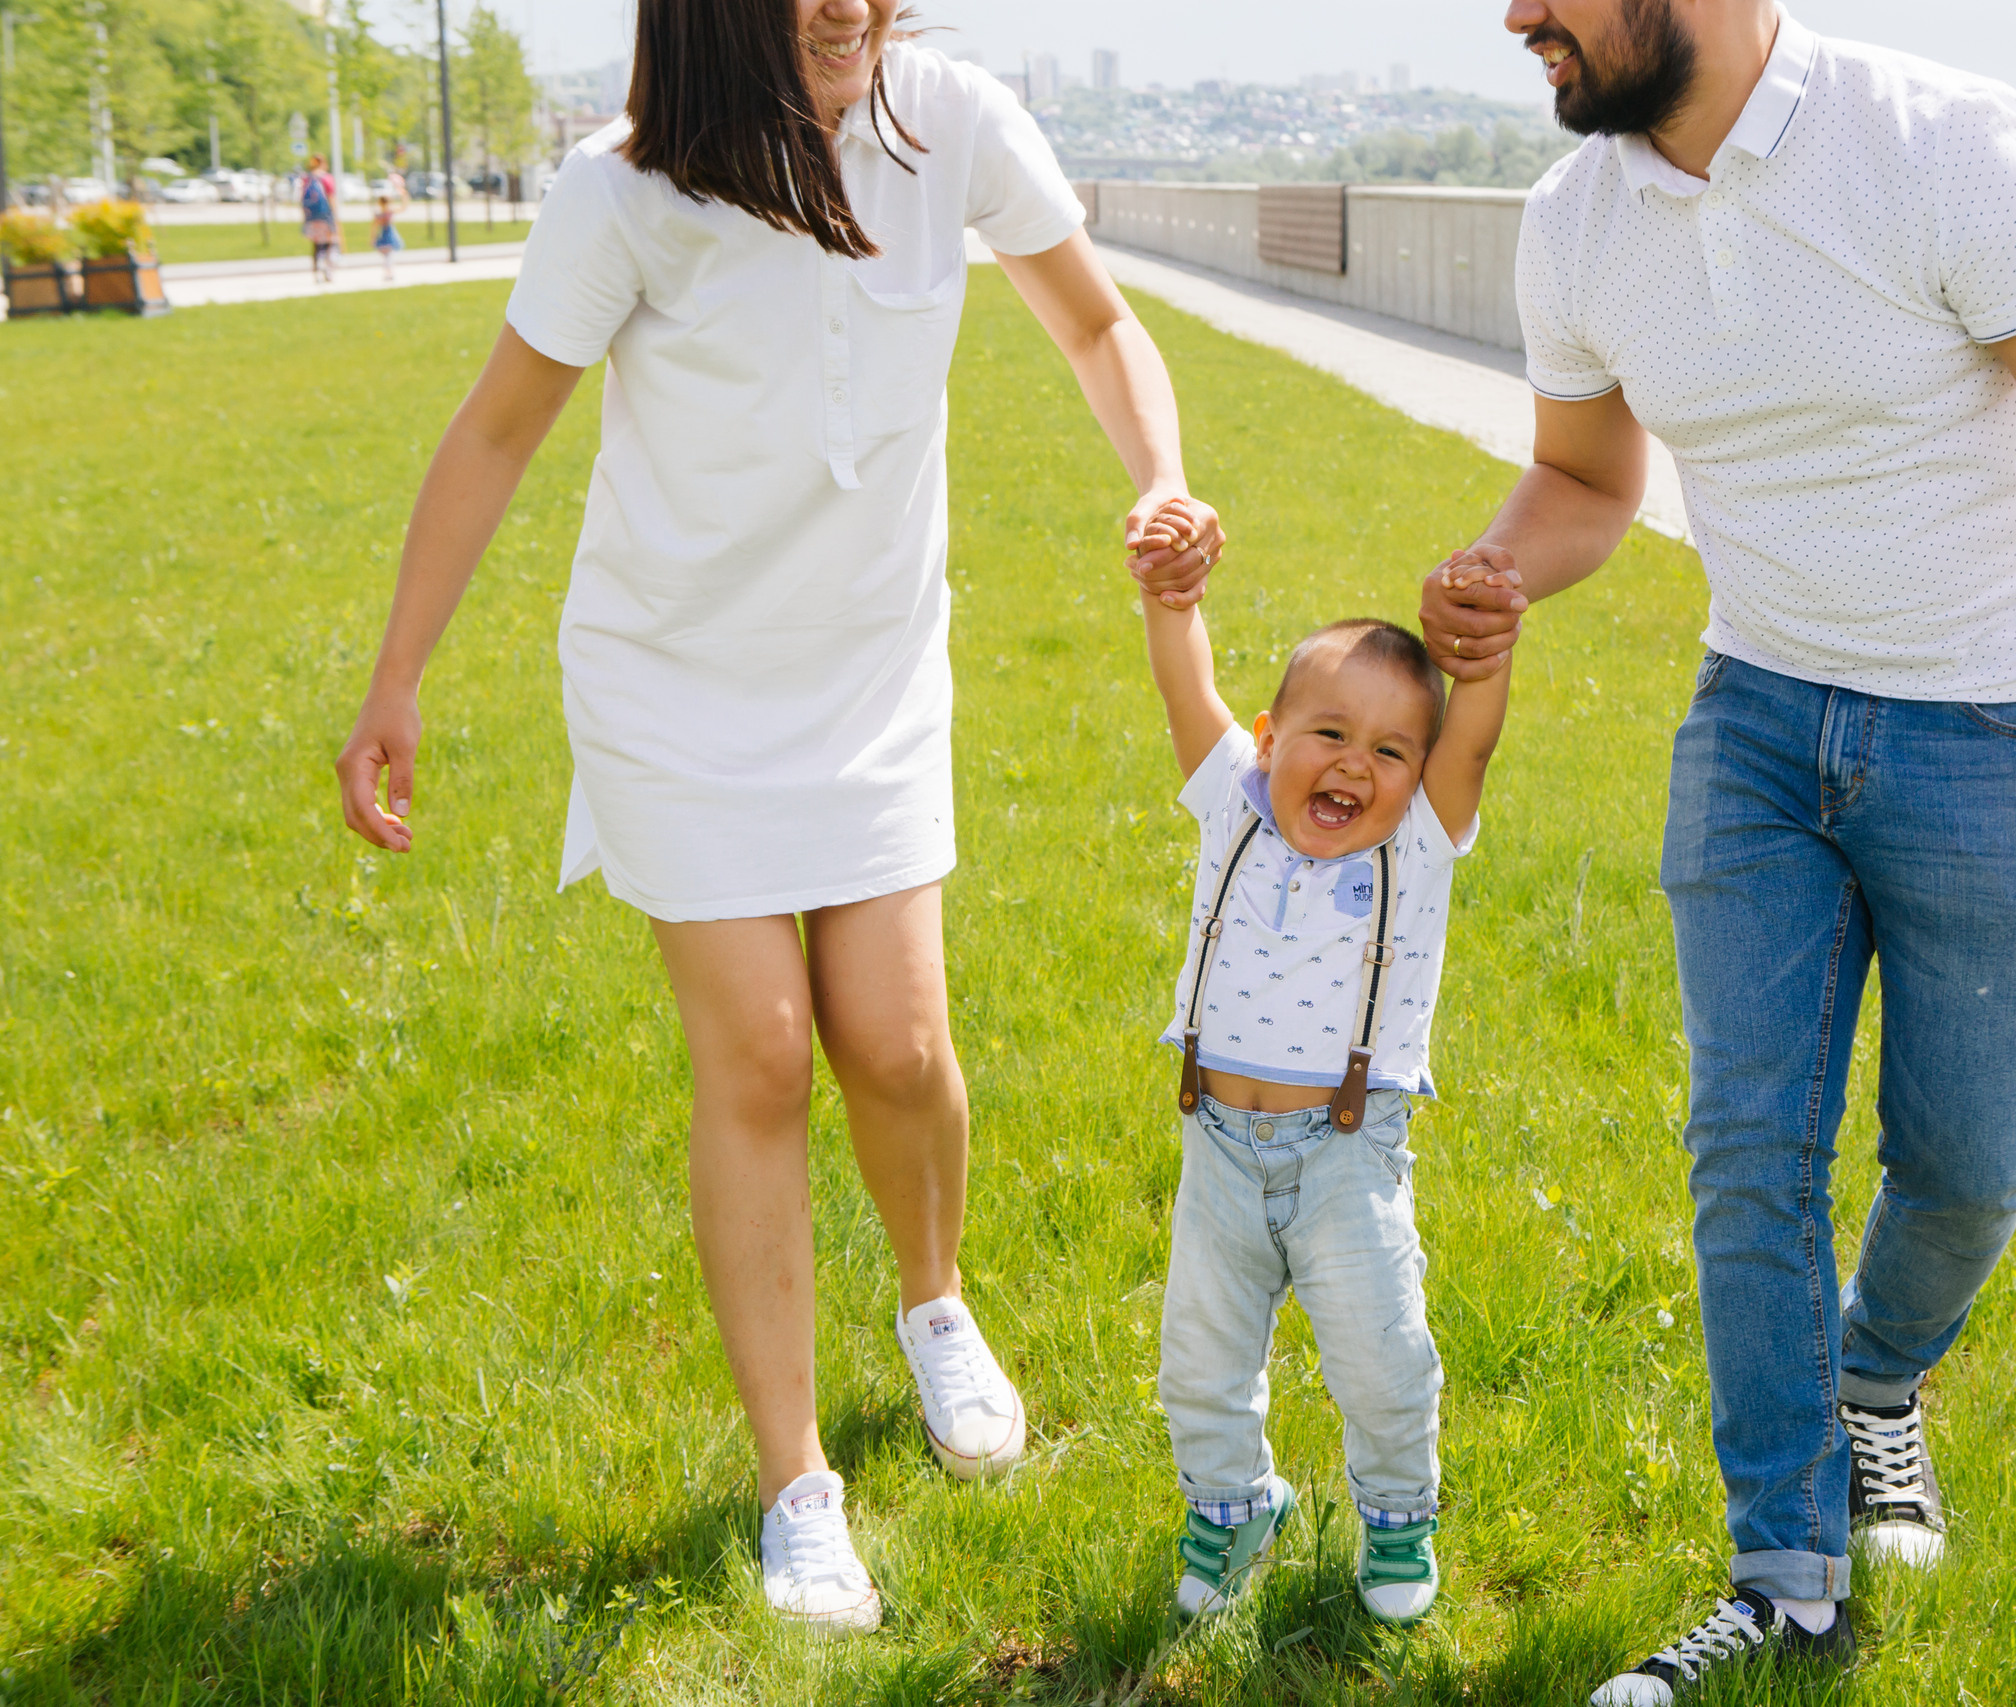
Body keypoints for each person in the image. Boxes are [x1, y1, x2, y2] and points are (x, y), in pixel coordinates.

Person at [332, 0, 1224, 1639]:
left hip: (870, 674)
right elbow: (500, 425)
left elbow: (1098, 328)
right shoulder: (625, 188)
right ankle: (795, 1480)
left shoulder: (949, 116)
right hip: (675, 684)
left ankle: (935, 1300)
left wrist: (1157, 470)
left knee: (894, 1042)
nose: (846, 5)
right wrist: (398, 675)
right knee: (754, 1051)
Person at [1426, 1, 2016, 1698]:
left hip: (1998, 730)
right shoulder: (1575, 218)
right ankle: (1786, 1569)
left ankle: (1881, 1383)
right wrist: (1502, 562)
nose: (1517, 16)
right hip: (1760, 726)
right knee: (1749, 1148)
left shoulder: (1941, 143)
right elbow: (1584, 473)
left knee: (1966, 1167)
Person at [1134, 518, 1512, 1628]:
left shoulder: (1417, 845)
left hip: (1347, 1150)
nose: (1355, 764)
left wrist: (1487, 645)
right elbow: (1180, 678)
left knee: (1381, 1355)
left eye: (1392, 753)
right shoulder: (1229, 807)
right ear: (1264, 738)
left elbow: (1474, 742)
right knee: (1198, 1359)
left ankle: (1397, 1516)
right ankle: (1233, 1502)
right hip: (1216, 1145)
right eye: (1329, 733)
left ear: (1420, 778)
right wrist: (1172, 594)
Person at [298, 156, 337, 283]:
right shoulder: (326, 178)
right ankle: (327, 269)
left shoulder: (307, 178)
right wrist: (334, 214)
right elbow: (331, 197)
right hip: (325, 216)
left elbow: (302, 199)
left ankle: (317, 271)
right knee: (328, 243)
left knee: (316, 244)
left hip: (312, 217)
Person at [371, 189, 405, 280]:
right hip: (386, 236)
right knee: (388, 257)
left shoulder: (386, 212)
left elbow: (374, 227)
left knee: (388, 257)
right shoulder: (383, 213)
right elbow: (374, 227)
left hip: (388, 235)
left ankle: (388, 273)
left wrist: (404, 196)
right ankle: (388, 273)